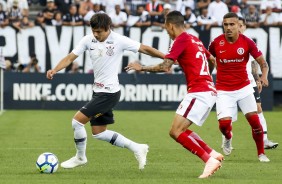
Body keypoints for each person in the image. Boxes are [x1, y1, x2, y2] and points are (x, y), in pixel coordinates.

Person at [46, 13, 165, 170]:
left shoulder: (119, 40)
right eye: (94, 31)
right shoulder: (88, 40)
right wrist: (55, 69)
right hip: (98, 92)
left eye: (99, 32)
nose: (96, 34)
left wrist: (168, 58)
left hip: (109, 93)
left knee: (76, 122)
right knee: (99, 132)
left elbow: (145, 48)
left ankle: (80, 157)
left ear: (108, 28)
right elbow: (70, 57)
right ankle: (138, 147)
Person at [126, 10, 223, 179]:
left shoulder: (181, 39)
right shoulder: (195, 39)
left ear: (171, 25)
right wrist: (207, 76)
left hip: (199, 91)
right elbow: (212, 60)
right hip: (207, 90)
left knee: (175, 131)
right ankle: (212, 153)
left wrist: (142, 68)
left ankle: (208, 160)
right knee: (182, 129)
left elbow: (165, 66)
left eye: (166, 29)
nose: (167, 32)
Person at [208, 12, 270, 162]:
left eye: (232, 24)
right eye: (225, 25)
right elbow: (209, 60)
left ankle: (261, 153)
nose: (228, 28)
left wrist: (263, 76)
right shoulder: (216, 43)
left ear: (238, 26)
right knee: (224, 125)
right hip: (223, 90)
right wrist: (208, 77)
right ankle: (228, 137)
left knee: (255, 122)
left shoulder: (247, 42)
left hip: (244, 88)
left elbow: (263, 63)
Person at [221, 17, 278, 150]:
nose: (239, 28)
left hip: (249, 82)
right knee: (229, 114)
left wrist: (257, 78)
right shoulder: (225, 42)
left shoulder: (248, 43)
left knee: (258, 109)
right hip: (230, 83)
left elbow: (253, 62)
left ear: (244, 27)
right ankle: (226, 137)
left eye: (241, 25)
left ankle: (264, 140)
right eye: (237, 25)